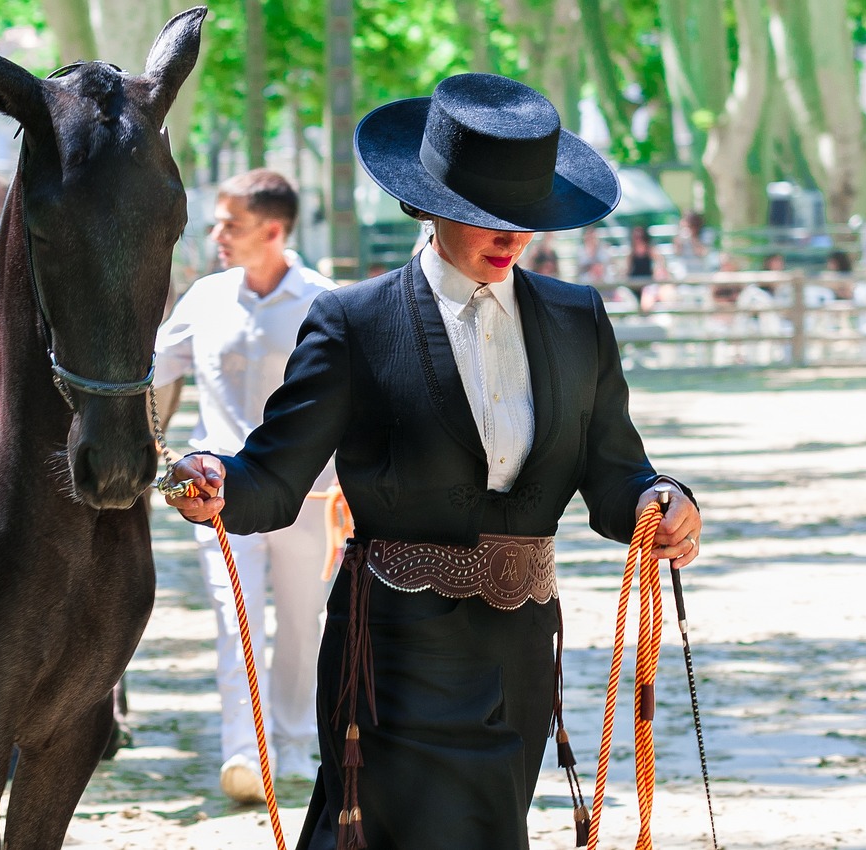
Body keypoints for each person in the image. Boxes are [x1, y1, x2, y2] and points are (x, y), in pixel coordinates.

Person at [163, 73, 701, 850]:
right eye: (487, 215)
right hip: (394, 649)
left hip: (521, 653)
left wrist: (664, 501)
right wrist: (214, 485)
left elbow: (616, 475)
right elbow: (273, 477)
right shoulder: (352, 322)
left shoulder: (578, 319)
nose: (510, 234)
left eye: (525, 215)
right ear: (429, 202)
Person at [153, 168, 337, 804]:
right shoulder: (204, 299)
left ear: (274, 230)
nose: (216, 235)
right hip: (218, 496)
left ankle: (292, 741)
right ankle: (244, 747)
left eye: (230, 224)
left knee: (301, 622)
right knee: (236, 621)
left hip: (311, 499)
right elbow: (147, 373)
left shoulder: (325, 302)